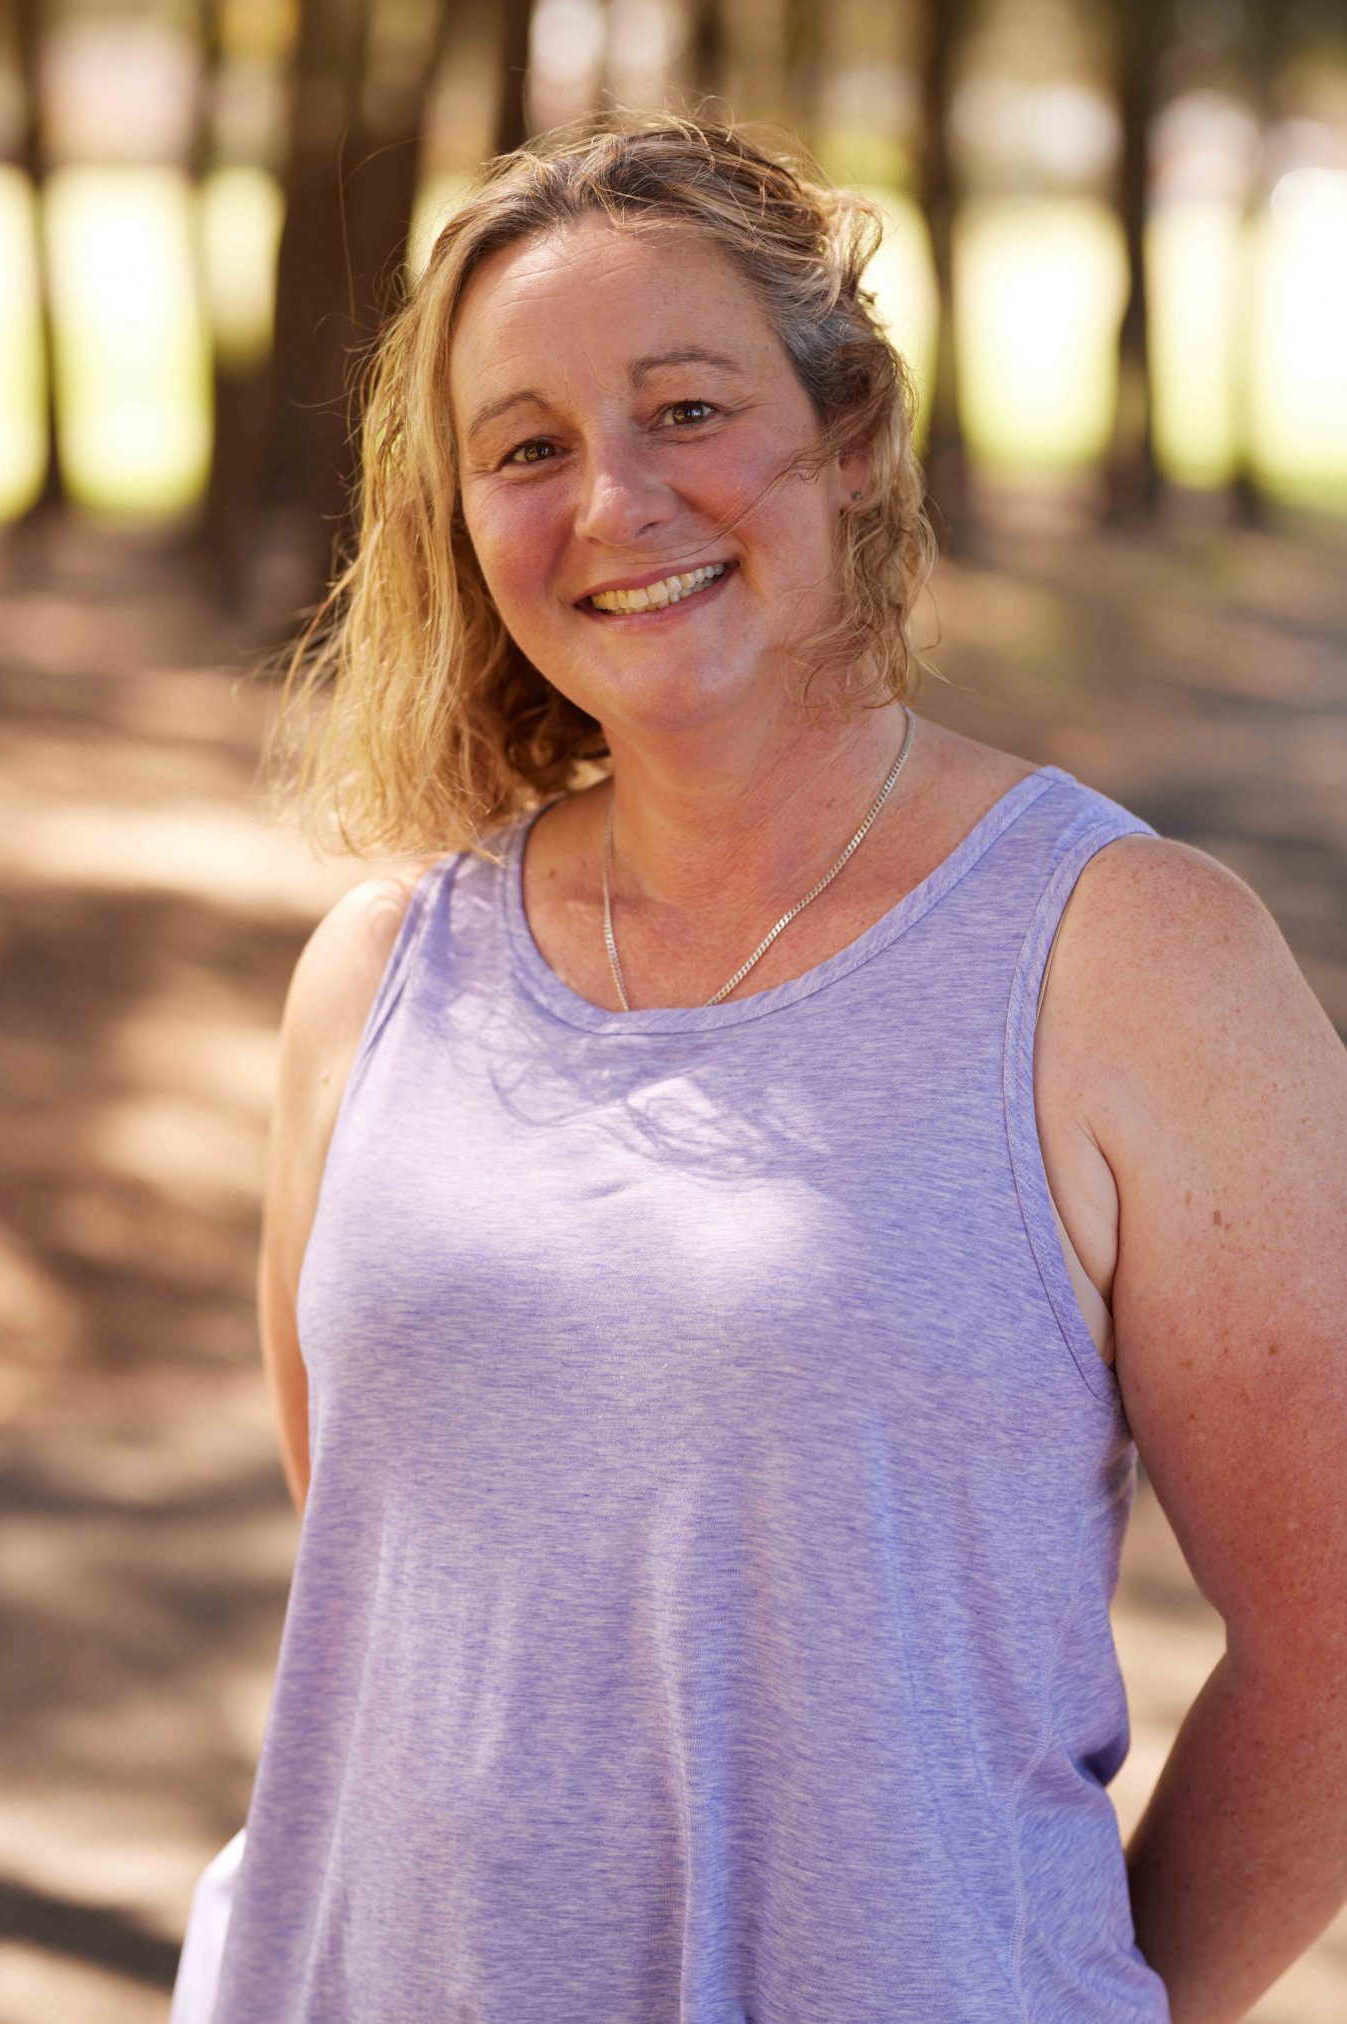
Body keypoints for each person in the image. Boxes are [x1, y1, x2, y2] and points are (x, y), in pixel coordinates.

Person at [179, 112, 1347, 2024]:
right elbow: (400, 1596)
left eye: (688, 410)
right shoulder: (382, 978)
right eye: (528, 448)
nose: (613, 501)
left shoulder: (1127, 957)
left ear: (855, 433)